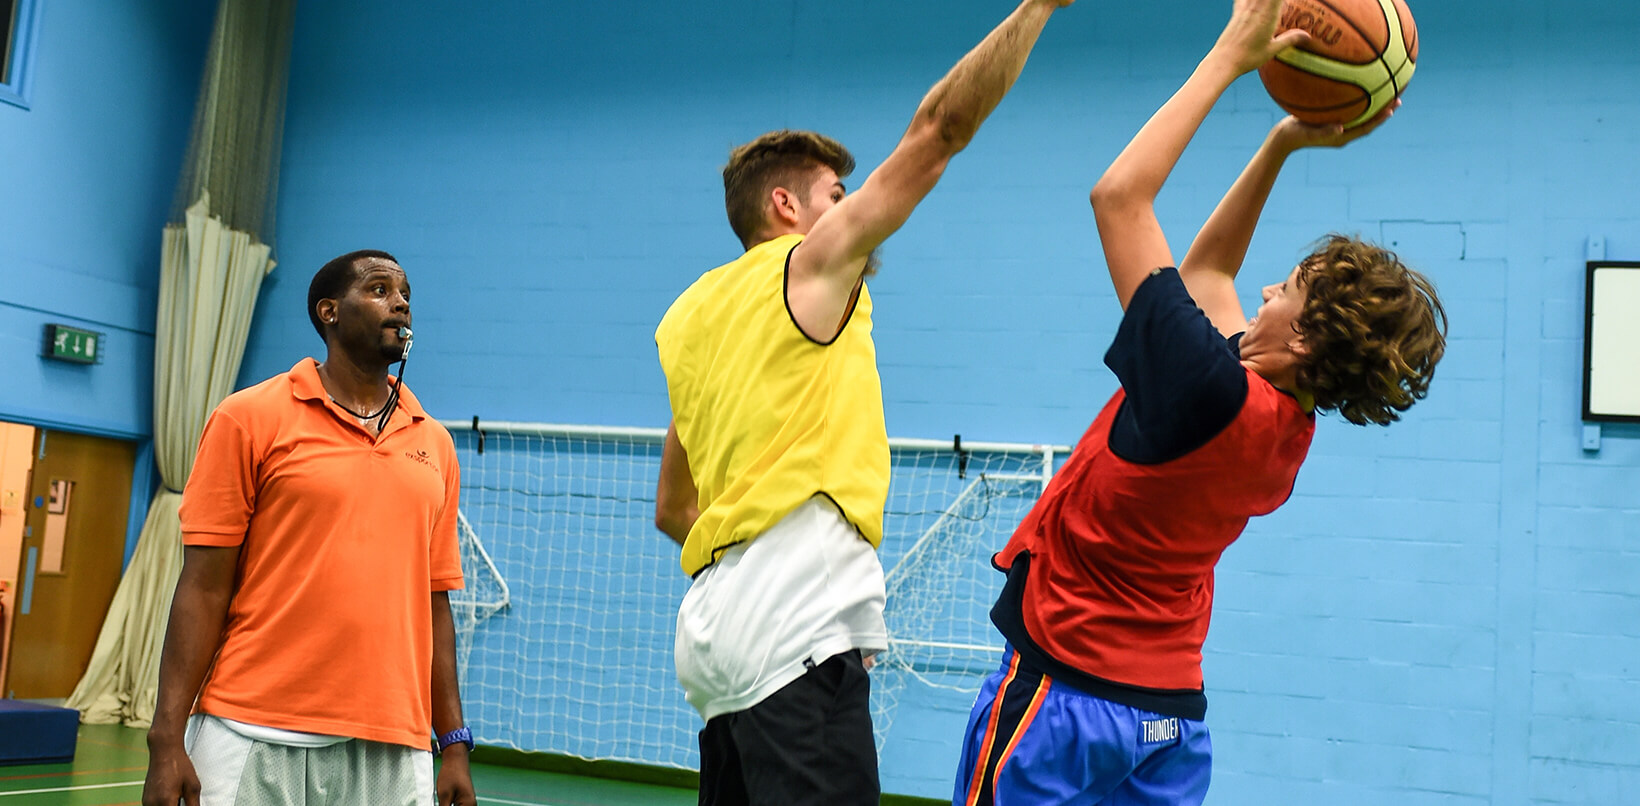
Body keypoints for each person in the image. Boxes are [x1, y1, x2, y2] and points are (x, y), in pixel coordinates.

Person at [953, 2, 1447, 804]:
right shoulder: (1282, 428)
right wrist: (1282, 140)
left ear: (1305, 344)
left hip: (1064, 701)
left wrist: (1229, 57)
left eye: (1286, 290)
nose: (1264, 288)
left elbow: (1119, 197)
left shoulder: (1204, 385)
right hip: (1166, 723)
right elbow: (1209, 276)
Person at [652, 2, 1076, 803]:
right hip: (793, 622)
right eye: (836, 193)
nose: (850, 208)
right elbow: (939, 130)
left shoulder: (691, 320)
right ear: (787, 208)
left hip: (713, 636)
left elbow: (674, 506)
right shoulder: (805, 272)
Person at [142, 250, 475, 806]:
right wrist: (165, 737)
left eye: (405, 295)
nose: (399, 303)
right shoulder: (248, 417)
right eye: (377, 290)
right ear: (330, 312)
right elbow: (202, 586)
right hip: (252, 726)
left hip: (394, 741)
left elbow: (434, 601)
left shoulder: (434, 442)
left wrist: (455, 743)